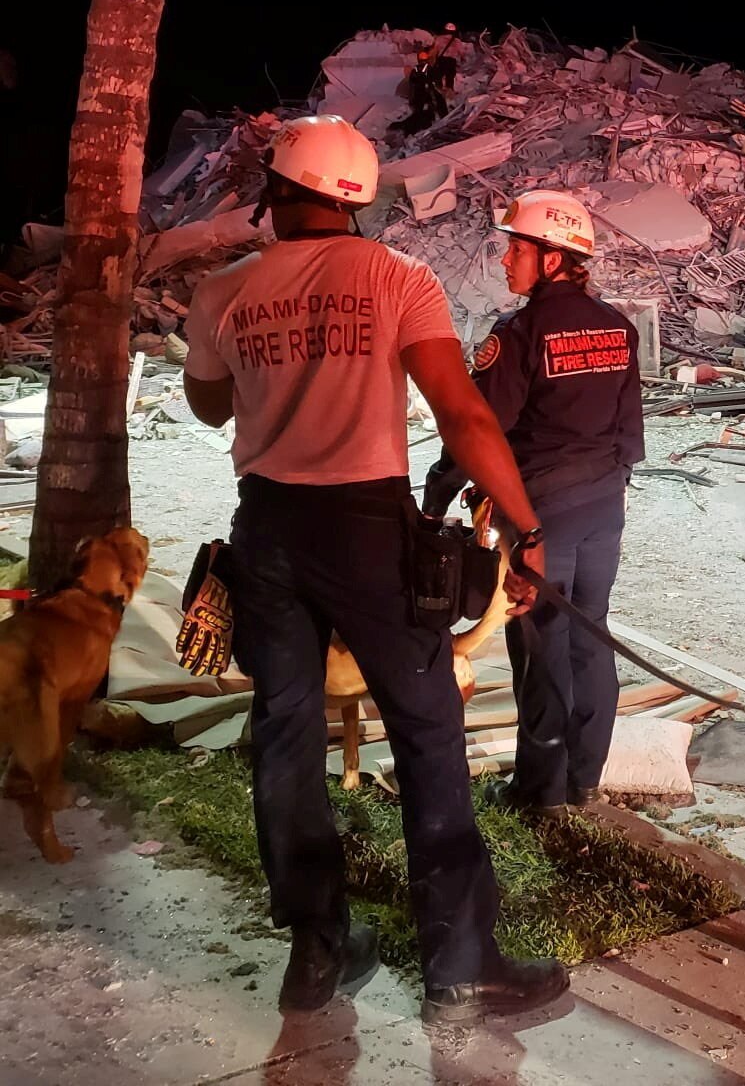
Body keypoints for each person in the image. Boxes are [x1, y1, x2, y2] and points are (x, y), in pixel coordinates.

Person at [182, 115, 568, 1025]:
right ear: (356, 202)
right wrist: (523, 527)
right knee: (427, 732)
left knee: (286, 732)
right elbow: (462, 416)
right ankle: (461, 967)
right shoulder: (399, 278)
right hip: (368, 532)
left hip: (269, 530)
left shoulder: (223, 290)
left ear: (277, 192)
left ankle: (316, 948)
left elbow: (206, 408)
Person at [423, 189, 644, 813]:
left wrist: (437, 494)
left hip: (539, 514)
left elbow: (478, 428)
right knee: (591, 634)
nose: (504, 260)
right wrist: (605, 492)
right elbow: (630, 434)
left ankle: (540, 792)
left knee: (540, 642)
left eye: (515, 249)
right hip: (603, 508)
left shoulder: (519, 334)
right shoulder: (618, 328)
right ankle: (584, 779)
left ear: (551, 258)